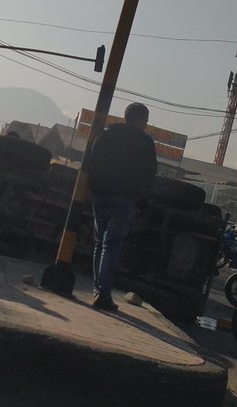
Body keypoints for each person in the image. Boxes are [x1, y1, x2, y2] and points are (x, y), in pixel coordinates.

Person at [87, 102, 157, 311]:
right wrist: (140, 195)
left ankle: (98, 290)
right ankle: (104, 294)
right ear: (141, 120)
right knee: (111, 244)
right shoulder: (145, 143)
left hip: (100, 195)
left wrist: (94, 187)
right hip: (124, 198)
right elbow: (149, 173)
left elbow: (93, 161)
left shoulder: (106, 134)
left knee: (100, 242)